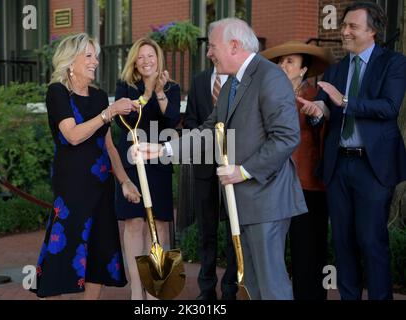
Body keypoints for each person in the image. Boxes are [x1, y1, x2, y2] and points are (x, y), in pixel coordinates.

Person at [140, 18, 307, 300]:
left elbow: (287, 137)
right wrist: (162, 150)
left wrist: (244, 171)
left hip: (266, 202)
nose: (208, 53)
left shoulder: (270, 77)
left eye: (212, 46)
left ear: (234, 45)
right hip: (242, 203)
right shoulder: (232, 84)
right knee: (251, 284)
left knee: (271, 286)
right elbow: (209, 131)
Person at [298, 2, 406, 300]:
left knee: (371, 242)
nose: (344, 31)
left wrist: (344, 101)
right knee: (343, 243)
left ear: (372, 31)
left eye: (352, 26)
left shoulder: (393, 63)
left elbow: (388, 107)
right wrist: (316, 110)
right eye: (343, 25)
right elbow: (325, 111)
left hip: (373, 168)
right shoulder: (336, 69)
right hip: (338, 167)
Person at [31, 33, 140, 299]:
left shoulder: (101, 96)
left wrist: (124, 180)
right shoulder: (57, 93)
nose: (95, 61)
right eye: (88, 55)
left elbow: (109, 146)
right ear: (71, 62)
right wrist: (109, 112)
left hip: (101, 186)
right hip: (72, 187)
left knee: (99, 253)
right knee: (65, 250)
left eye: (96, 56)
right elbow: (73, 135)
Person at [260, 41, 333, 300]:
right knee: (273, 255)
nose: (282, 65)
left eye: (290, 61)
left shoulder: (315, 96)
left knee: (308, 254)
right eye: (280, 61)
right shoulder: (267, 95)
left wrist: (315, 116)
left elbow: (322, 126)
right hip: (272, 185)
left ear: (303, 70)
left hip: (307, 186)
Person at [113, 37, 181, 300]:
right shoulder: (125, 86)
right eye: (140, 57)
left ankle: (157, 288)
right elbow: (125, 119)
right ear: (134, 61)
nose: (146, 61)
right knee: (134, 222)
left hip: (159, 160)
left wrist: (160, 92)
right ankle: (136, 289)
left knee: (161, 224)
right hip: (132, 158)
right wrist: (148, 93)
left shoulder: (172, 87)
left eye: (150, 56)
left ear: (158, 58)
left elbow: (172, 118)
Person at [184, 65, 238, 300]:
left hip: (234, 163)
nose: (210, 52)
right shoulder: (199, 79)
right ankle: (206, 288)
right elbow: (191, 121)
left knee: (232, 228)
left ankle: (230, 288)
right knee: (207, 230)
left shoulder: (239, 79)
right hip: (204, 163)